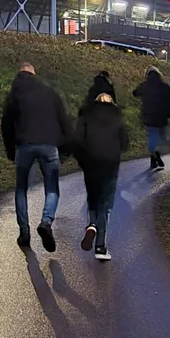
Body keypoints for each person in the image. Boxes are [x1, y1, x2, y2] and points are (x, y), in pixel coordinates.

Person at [1, 62, 74, 252]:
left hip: (24, 146)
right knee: (52, 188)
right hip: (49, 145)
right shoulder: (49, 92)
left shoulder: (14, 95)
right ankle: (46, 222)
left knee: (21, 189)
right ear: (34, 74)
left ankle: (24, 232)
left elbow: (6, 125)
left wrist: (10, 150)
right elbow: (64, 119)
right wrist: (66, 147)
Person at [75, 91, 129, 261]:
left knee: (93, 198)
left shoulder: (87, 117)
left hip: (91, 163)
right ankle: (100, 246)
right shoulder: (116, 117)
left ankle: (92, 224)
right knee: (105, 205)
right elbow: (125, 143)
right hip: (110, 165)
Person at [131, 67, 170, 171]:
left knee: (151, 136)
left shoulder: (144, 85)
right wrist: (169, 113)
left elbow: (135, 93)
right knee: (161, 137)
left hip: (148, 115)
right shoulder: (164, 87)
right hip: (162, 115)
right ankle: (156, 154)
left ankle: (153, 157)